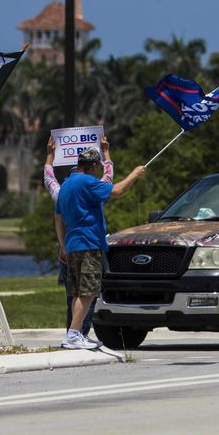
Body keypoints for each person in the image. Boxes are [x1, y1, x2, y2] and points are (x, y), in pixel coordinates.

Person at [55, 142, 145, 349]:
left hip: (73, 244)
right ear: (93, 165)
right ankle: (74, 335)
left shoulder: (66, 184)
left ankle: (76, 334)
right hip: (88, 242)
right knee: (88, 291)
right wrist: (134, 174)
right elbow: (117, 190)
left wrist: (63, 245)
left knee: (77, 291)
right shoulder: (88, 182)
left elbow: (58, 219)